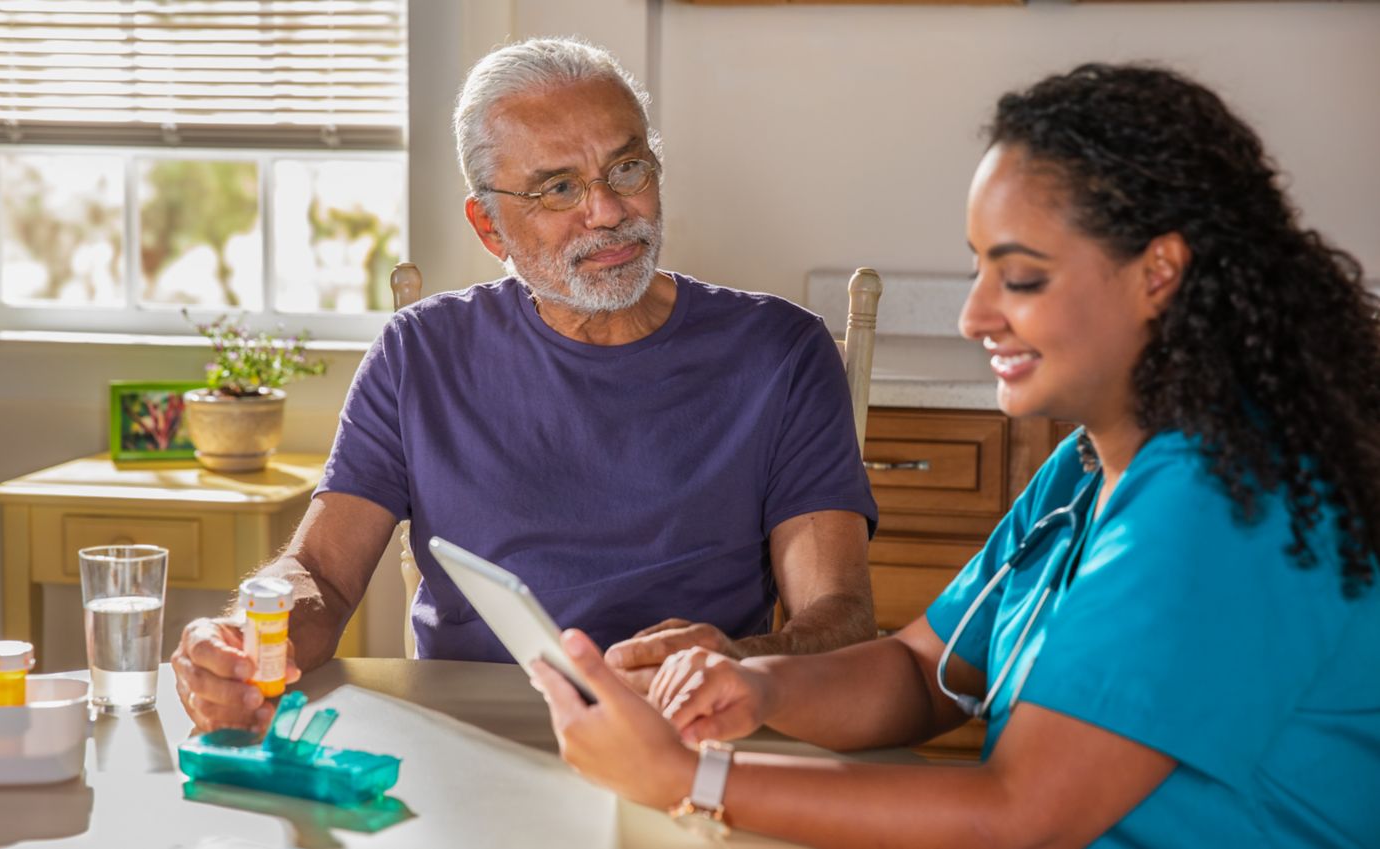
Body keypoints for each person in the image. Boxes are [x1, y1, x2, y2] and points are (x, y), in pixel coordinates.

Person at [528, 63, 1380, 847]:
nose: (973, 316)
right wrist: (756, 688)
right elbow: (923, 670)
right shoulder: (1084, 471)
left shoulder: (1226, 500)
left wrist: (692, 779)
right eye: (977, 270)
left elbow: (1019, 811)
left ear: (1156, 272)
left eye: (1018, 277)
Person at [170, 37, 879, 732]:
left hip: (689, 733)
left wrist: (742, 663)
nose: (607, 211)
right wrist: (247, 638)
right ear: (488, 225)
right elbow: (320, 574)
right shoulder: (419, 351)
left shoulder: (779, 351)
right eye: (559, 187)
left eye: (627, 168)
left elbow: (839, 618)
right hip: (468, 737)